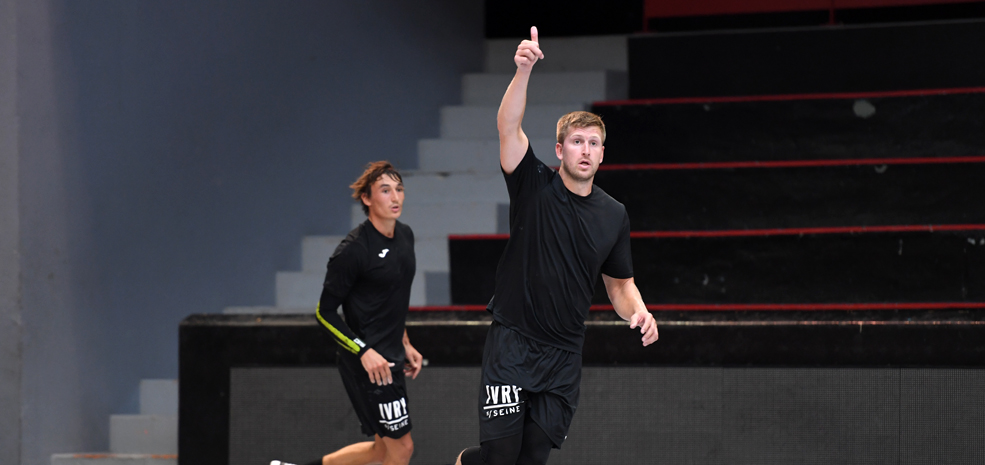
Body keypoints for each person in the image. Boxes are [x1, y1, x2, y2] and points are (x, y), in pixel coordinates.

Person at [455, 26, 659, 465]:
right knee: (501, 457)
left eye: (593, 144)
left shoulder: (614, 215)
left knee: (530, 459)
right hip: (513, 343)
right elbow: (507, 127)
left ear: (602, 154)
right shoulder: (533, 185)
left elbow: (620, 287)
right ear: (560, 150)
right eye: (577, 142)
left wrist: (639, 311)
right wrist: (523, 70)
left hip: (563, 356)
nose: (585, 150)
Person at [272, 161, 423, 465]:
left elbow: (392, 299)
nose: (395, 197)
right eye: (385, 190)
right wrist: (364, 351)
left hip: (391, 357)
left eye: (399, 189)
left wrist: (404, 342)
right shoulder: (352, 250)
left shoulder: (405, 236)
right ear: (367, 199)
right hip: (367, 366)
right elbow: (324, 312)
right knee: (402, 448)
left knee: (382, 450)